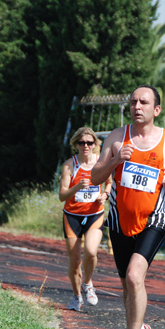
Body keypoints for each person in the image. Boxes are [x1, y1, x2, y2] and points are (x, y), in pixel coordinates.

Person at [91, 85, 165, 329]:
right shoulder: (116, 137)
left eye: (144, 102)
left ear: (156, 110)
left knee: (136, 276)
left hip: (154, 218)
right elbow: (96, 175)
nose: (137, 106)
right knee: (126, 286)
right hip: (120, 220)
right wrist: (114, 160)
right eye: (133, 102)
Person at [59, 127, 112, 312]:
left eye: (90, 143)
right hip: (72, 217)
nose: (86, 146)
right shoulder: (69, 165)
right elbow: (62, 196)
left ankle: (88, 284)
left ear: (95, 145)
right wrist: (77, 187)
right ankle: (76, 296)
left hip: (94, 215)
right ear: (76, 145)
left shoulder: (100, 163)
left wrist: (105, 195)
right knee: (75, 263)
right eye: (82, 143)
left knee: (91, 251)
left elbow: (109, 183)